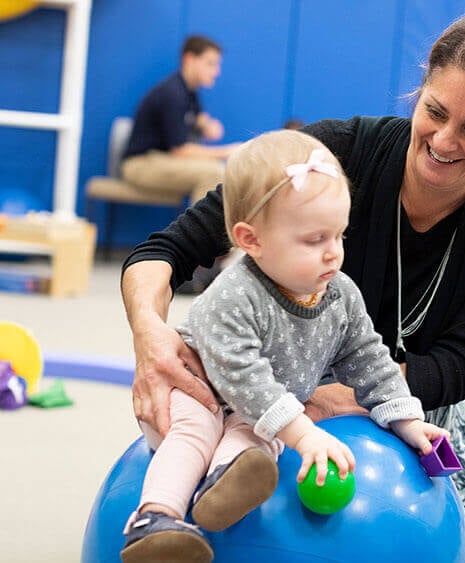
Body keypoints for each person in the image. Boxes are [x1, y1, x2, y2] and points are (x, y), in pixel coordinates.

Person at [121, 6, 465, 561]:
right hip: (260, 376)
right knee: (202, 457)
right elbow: (165, 251)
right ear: (419, 88)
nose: (443, 142)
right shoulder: (328, 157)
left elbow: (461, 362)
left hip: (403, 390)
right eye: (435, 111)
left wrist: (361, 400)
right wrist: (149, 337)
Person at [120, 130, 447, 562]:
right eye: (315, 240)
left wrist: (405, 419)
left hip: (254, 415)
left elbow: (370, 359)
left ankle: (224, 485)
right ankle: (154, 518)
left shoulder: (339, 294)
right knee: (198, 433)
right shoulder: (234, 294)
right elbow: (243, 377)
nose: (333, 254)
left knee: (259, 444)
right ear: (251, 240)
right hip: (195, 393)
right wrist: (303, 433)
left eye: (340, 236)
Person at [121, 35, 241, 205]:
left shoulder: (190, 91)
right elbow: (180, 150)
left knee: (216, 170)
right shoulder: (173, 94)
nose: (216, 71)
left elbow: (198, 118)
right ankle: (196, 231)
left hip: (162, 159)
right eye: (210, 64)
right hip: (140, 163)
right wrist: (227, 151)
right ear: (189, 59)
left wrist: (207, 125)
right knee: (212, 172)